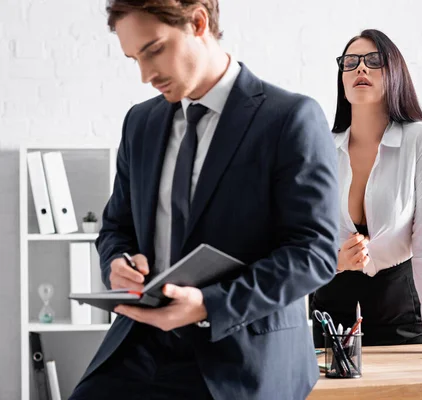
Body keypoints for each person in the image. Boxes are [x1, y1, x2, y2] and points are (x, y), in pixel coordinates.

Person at [69, 1, 339, 399]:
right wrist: (119, 263)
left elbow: (314, 253)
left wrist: (210, 305)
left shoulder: (289, 118)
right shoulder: (140, 123)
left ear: (198, 22)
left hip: (240, 357)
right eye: (133, 59)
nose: (145, 76)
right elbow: (116, 227)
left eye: (154, 50)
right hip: (140, 351)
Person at [311, 29, 422, 352]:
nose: (360, 68)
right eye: (350, 62)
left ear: (395, 72)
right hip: (330, 307)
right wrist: (335, 262)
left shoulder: (421, 140)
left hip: (400, 306)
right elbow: (304, 236)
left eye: (373, 61)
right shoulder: (322, 146)